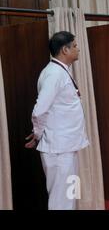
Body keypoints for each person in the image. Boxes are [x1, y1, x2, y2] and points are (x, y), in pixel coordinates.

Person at [25, 31, 89, 210]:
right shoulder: (54, 74)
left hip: (68, 145)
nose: (78, 49)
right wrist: (37, 134)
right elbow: (39, 111)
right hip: (58, 148)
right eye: (74, 46)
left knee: (70, 194)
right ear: (65, 50)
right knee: (60, 200)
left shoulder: (61, 71)